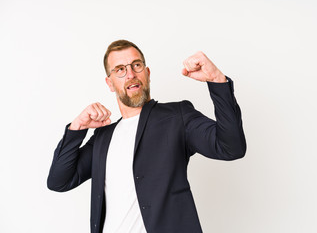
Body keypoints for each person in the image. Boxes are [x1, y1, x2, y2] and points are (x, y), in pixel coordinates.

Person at [47, 39, 247, 233]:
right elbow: (59, 181)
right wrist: (77, 128)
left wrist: (216, 80)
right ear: (109, 83)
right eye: (120, 69)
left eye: (136, 65)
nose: (130, 74)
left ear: (147, 73)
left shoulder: (178, 116)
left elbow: (231, 147)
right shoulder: (103, 137)